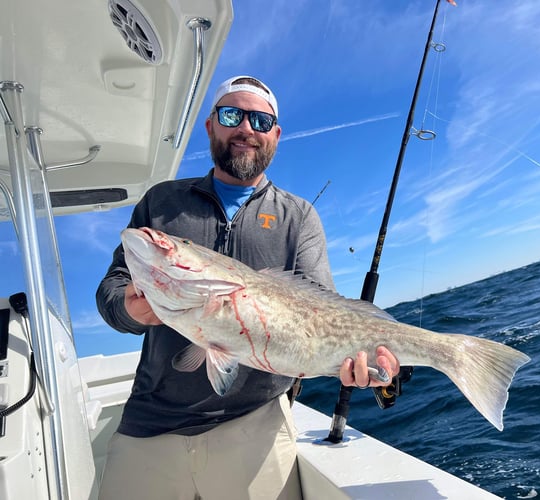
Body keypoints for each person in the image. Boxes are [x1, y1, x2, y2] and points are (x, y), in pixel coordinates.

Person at [95, 75, 400, 500]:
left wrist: (351, 365)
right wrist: (129, 310)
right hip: (148, 425)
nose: (246, 129)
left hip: (257, 425)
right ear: (211, 125)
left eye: (260, 120)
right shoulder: (161, 203)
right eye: (232, 115)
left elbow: (323, 310)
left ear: (275, 135)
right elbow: (113, 285)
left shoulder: (298, 216)